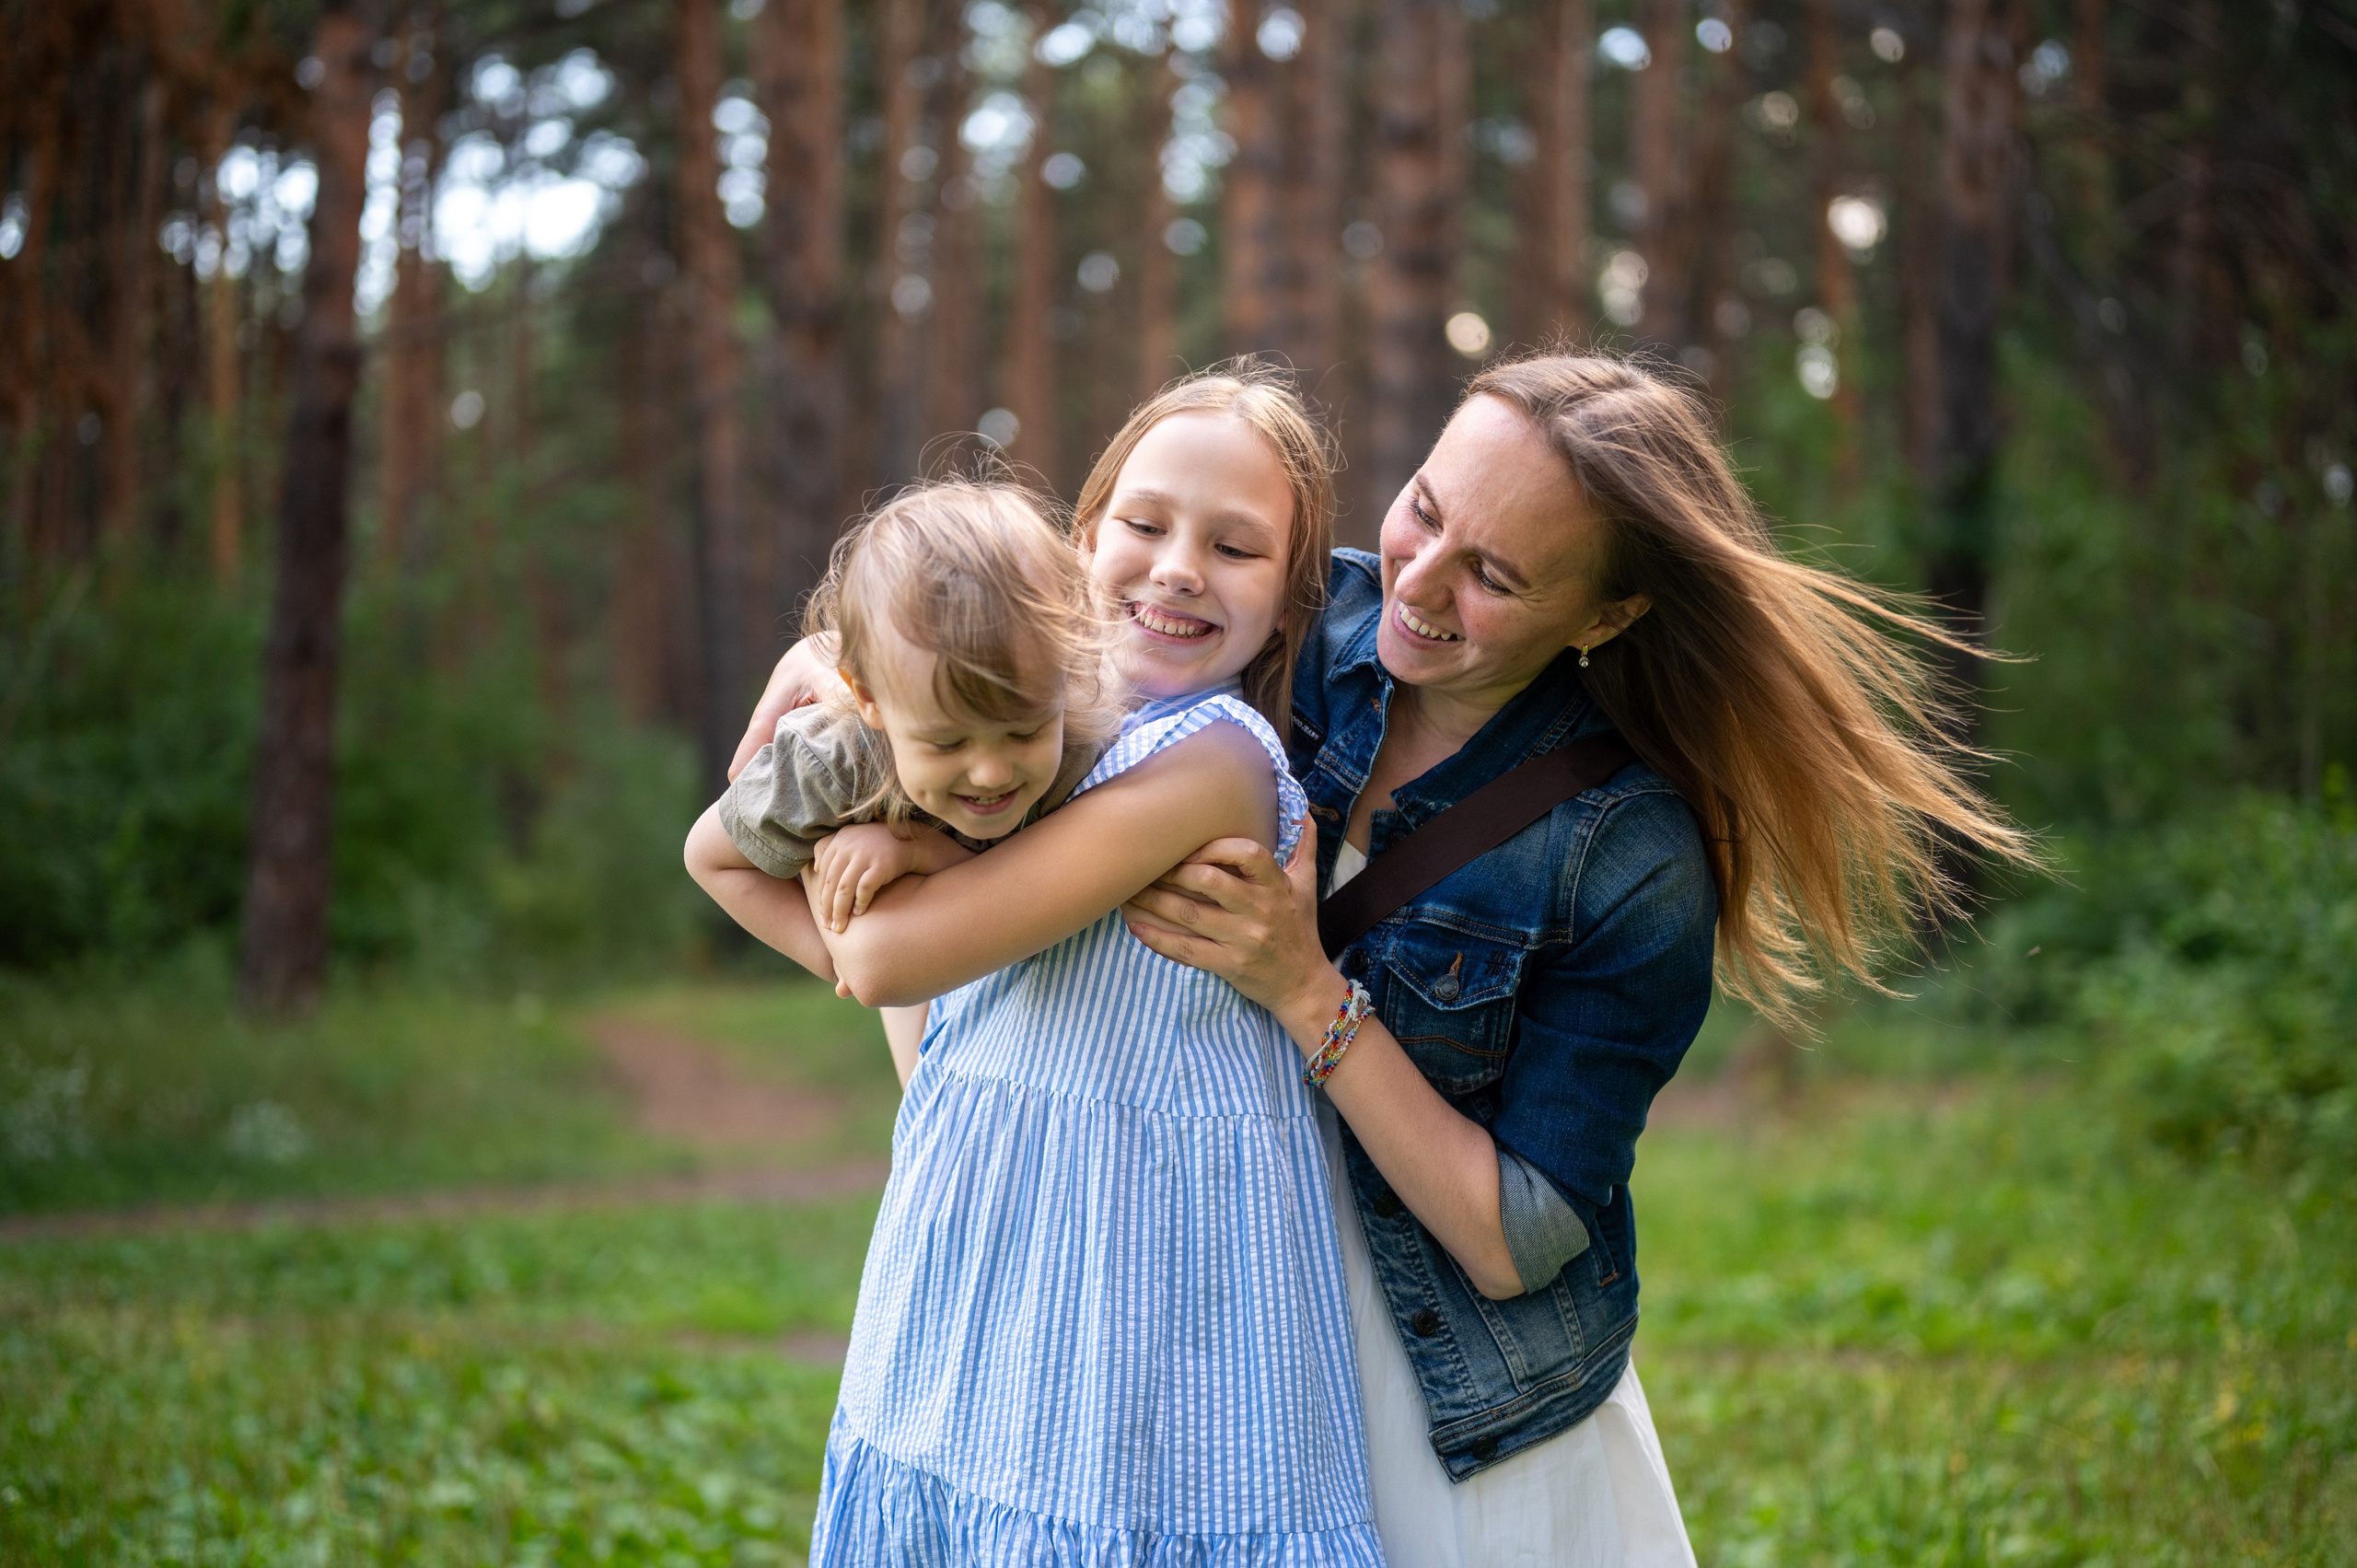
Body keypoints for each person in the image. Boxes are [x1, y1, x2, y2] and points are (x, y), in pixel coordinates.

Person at [1114, 354, 2038, 1565]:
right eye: (1427, 510)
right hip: (1209, 1327)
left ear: (1605, 615)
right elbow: (1020, 658)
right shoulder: (1291, 626)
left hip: (1436, 1400)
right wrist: (842, 673)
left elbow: (1514, 1238)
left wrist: (1305, 988)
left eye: (1493, 574)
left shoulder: (1630, 854)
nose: (1420, 583)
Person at [725, 369, 1388, 1562]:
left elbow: (879, 959)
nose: (1179, 564)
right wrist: (859, 718)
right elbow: (729, 854)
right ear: (1080, 544)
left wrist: (894, 844)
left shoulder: (1215, 762)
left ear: (1286, 607)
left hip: (1154, 1321)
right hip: (973, 1259)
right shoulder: (1011, 750)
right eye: (1144, 524)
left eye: (1233, 547)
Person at [683, 481, 1121, 1085]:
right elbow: (709, 858)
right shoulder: (832, 760)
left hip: (1038, 1004)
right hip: (924, 1002)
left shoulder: (1082, 743)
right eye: (947, 742)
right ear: (869, 699)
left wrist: (908, 848)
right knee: (931, 1092)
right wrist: (835, 949)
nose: (992, 772)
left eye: (1022, 732)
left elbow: (1033, 864)